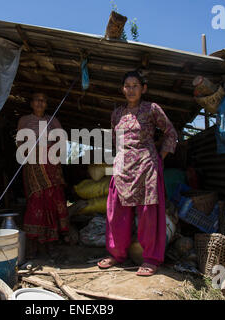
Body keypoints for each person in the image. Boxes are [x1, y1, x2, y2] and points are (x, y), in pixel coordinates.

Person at [97, 71, 178, 276]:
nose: (131, 89)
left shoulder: (151, 109)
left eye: (135, 85)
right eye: (127, 85)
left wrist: (159, 158)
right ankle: (116, 254)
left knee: (147, 215)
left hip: (146, 167)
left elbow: (170, 132)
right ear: (122, 89)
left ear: (143, 88)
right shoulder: (117, 114)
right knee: (116, 212)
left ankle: (151, 259)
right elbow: (117, 141)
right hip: (123, 168)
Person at [16, 91, 69, 259]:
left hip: (52, 168)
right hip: (33, 169)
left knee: (53, 202)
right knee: (36, 202)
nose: (40, 103)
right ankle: (34, 243)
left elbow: (62, 142)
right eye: (37, 100)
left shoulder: (53, 121)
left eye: (44, 100)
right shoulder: (24, 121)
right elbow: (19, 143)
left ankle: (52, 242)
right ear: (31, 103)